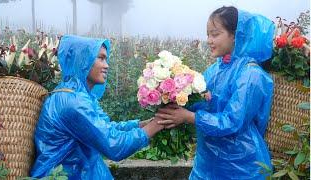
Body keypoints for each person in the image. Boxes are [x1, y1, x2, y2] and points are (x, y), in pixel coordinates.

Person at [156, 6, 275, 179]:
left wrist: (190, 117)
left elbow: (233, 122)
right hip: (208, 163)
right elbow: (199, 103)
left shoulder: (251, 74)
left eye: (215, 34)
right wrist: (170, 100)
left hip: (242, 166)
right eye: (208, 35)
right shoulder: (214, 70)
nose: (209, 40)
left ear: (235, 35)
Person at [30, 35, 164, 179]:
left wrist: (140, 125)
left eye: (105, 59)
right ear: (83, 61)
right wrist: (157, 125)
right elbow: (114, 147)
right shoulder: (73, 102)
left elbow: (105, 128)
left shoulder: (76, 94)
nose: (106, 65)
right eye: (100, 58)